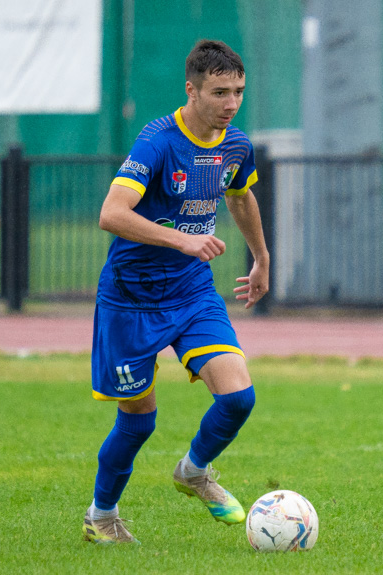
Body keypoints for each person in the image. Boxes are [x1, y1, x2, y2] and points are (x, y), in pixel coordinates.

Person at [81, 39, 270, 544]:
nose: (231, 104)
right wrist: (183, 240)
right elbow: (111, 214)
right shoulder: (157, 142)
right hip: (131, 298)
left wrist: (262, 257)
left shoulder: (235, 144)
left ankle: (193, 471)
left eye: (239, 92)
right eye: (219, 93)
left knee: (238, 397)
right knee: (139, 423)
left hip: (191, 293)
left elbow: (241, 194)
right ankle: (101, 517)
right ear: (191, 89)